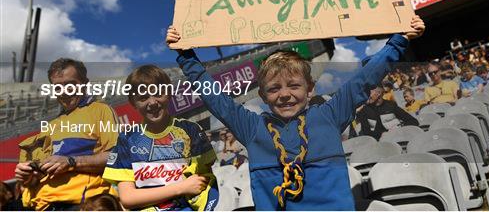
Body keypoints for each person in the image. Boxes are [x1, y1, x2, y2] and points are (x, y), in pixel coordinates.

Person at [166, 15, 425, 210]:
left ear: (310, 89)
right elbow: (215, 97)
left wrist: (399, 41)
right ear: (263, 96)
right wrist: (185, 56)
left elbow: (365, 79)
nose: (285, 94)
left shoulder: (329, 114)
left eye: (294, 85)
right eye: (274, 88)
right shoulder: (251, 127)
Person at [102, 65, 219, 210]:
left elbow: (203, 183)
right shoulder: (126, 140)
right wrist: (180, 188)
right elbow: (127, 198)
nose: (152, 102)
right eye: (143, 98)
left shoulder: (191, 130)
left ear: (169, 92)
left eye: (157, 93)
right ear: (133, 103)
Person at [14, 58, 119, 210]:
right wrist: (28, 177)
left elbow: (116, 158)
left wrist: (70, 162)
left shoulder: (101, 111)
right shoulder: (50, 126)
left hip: (83, 204)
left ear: (85, 83)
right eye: (57, 88)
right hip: (43, 205)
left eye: (70, 84)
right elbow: (37, 180)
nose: (64, 92)